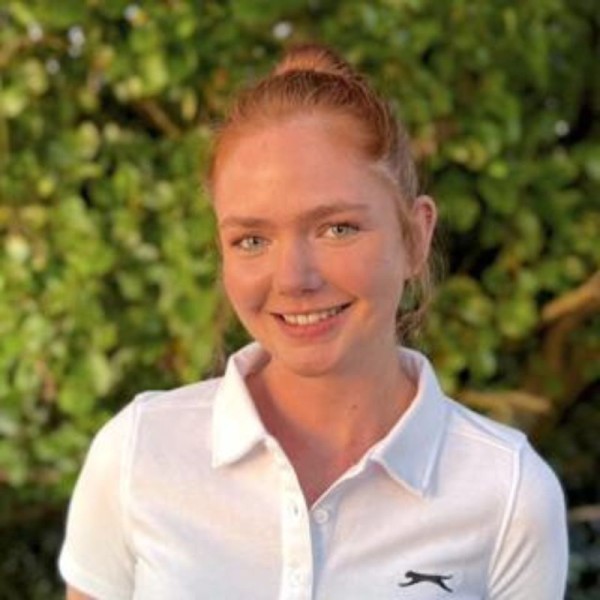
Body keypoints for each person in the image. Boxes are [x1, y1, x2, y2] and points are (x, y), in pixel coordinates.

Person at [59, 43, 568, 599]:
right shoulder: (138, 453)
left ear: (416, 237)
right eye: (252, 240)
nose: (293, 278)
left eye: (337, 229)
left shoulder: (508, 494)